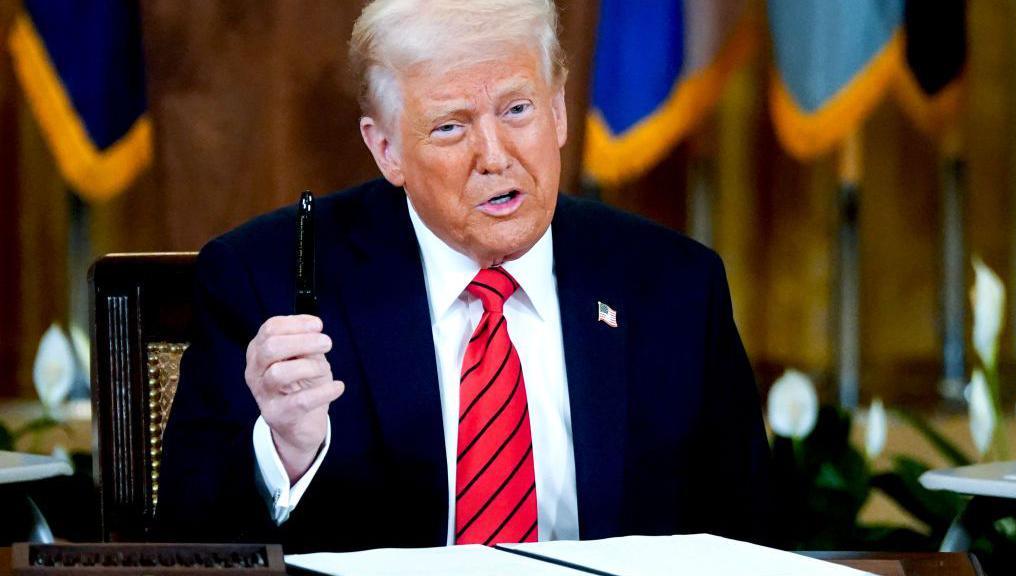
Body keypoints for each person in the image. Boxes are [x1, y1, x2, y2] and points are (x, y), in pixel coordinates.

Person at [159, 0, 770, 553]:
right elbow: (186, 545)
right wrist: (285, 452)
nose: (495, 155)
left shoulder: (674, 287)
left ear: (558, 112)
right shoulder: (264, 278)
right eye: (451, 125)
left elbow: (751, 541)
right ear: (387, 149)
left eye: (518, 110)